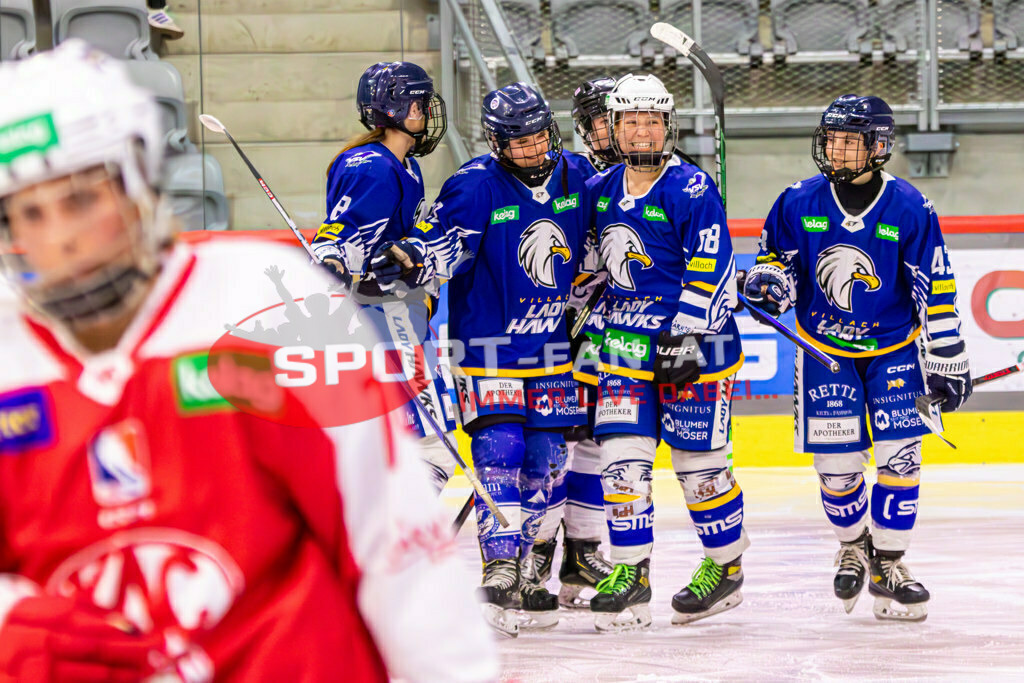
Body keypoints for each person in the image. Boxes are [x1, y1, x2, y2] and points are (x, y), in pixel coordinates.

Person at [0, 41, 497, 682]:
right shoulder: (11, 361)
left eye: (81, 201)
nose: (61, 238)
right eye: (28, 213)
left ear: (139, 183)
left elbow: (392, 545)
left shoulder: (254, 304)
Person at [369, 82, 591, 637]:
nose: (534, 150)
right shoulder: (472, 185)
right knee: (501, 449)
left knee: (546, 461)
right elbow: (438, 243)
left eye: (540, 137)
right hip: (486, 349)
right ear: (497, 143)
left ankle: (528, 566)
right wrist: (411, 258)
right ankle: (499, 567)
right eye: (519, 142)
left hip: (552, 349)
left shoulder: (578, 175)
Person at [743, 94, 971, 622]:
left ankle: (889, 563)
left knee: (901, 458)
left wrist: (948, 358)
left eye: (849, 141)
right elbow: (777, 262)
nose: (837, 149)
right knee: (838, 470)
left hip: (894, 353)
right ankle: (852, 545)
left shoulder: (910, 207)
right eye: (832, 139)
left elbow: (936, 287)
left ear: (878, 146)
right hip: (823, 353)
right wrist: (767, 284)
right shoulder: (796, 200)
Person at [585, 73, 748, 632]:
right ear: (614, 128)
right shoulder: (601, 189)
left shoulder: (692, 188)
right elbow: (590, 263)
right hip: (624, 348)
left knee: (699, 468)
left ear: (667, 125)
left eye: (651, 121)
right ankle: (630, 571)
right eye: (631, 121)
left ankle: (726, 567)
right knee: (620, 463)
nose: (641, 132)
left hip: (694, 349)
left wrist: (687, 334)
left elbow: (710, 265)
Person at [311, 61, 458, 493]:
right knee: (430, 443)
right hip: (383, 317)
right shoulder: (372, 166)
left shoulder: (403, 165)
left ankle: (389, 517)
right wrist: (333, 259)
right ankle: (401, 522)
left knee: (413, 441)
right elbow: (340, 233)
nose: (427, 112)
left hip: (401, 314)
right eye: (422, 103)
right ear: (403, 108)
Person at [524, 76, 619, 610]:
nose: (610, 129)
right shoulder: (571, 174)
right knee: (556, 438)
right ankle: (537, 549)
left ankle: (583, 550)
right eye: (599, 119)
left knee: (600, 439)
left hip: (619, 332)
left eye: (616, 117)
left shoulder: (653, 177)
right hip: (562, 326)